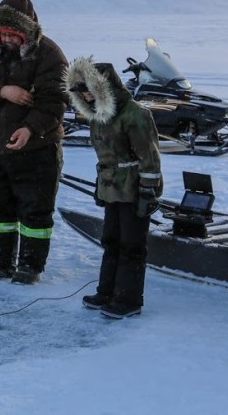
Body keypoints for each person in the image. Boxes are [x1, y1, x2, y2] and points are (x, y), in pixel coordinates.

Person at [0, 0, 68, 284]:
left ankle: (30, 266)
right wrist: (1, 90)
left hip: (37, 149)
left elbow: (55, 101)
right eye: (2, 32)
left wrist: (30, 129)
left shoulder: (49, 54)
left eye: (13, 33)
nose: (7, 38)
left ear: (27, 30)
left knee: (35, 211)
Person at [64, 57, 163, 319]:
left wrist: (148, 191)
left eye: (88, 88)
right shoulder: (97, 115)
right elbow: (106, 158)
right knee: (111, 241)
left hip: (133, 189)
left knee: (131, 245)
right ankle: (107, 291)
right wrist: (101, 187)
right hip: (112, 190)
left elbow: (149, 158)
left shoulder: (135, 115)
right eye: (81, 91)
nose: (85, 95)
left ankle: (129, 299)